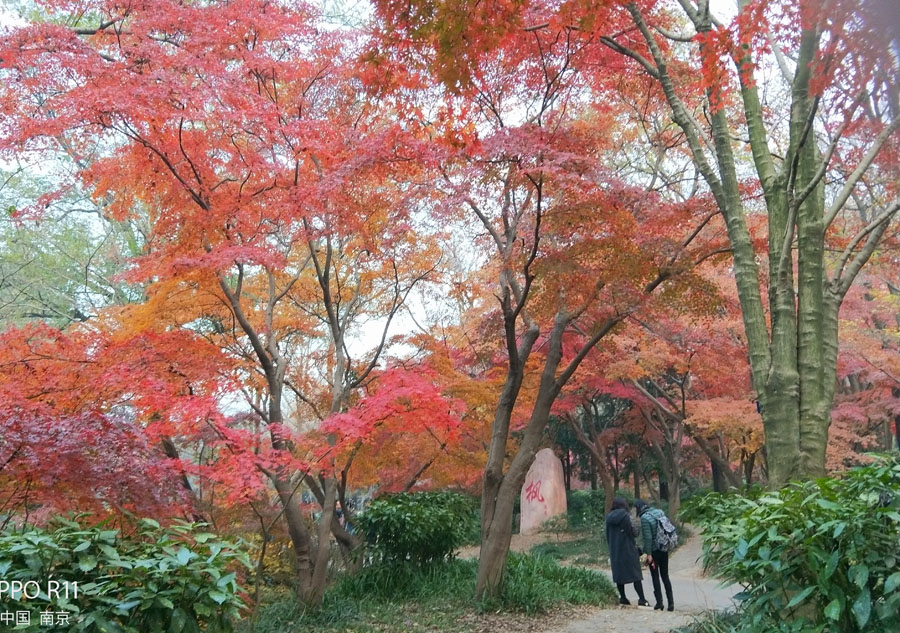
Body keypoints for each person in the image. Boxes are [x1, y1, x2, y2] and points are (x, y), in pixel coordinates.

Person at [605, 497, 649, 606]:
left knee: (619, 576)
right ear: (624, 505)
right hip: (629, 550)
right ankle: (642, 599)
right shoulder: (627, 516)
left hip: (615, 550)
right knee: (636, 576)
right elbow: (635, 532)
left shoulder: (608, 518)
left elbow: (607, 535)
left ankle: (623, 598)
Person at [634, 498, 675, 611]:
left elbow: (648, 538)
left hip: (654, 552)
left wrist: (648, 554)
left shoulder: (644, 518)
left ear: (638, 508)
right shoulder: (659, 512)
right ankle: (671, 603)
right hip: (664, 548)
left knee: (655, 576)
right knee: (665, 576)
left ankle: (659, 603)